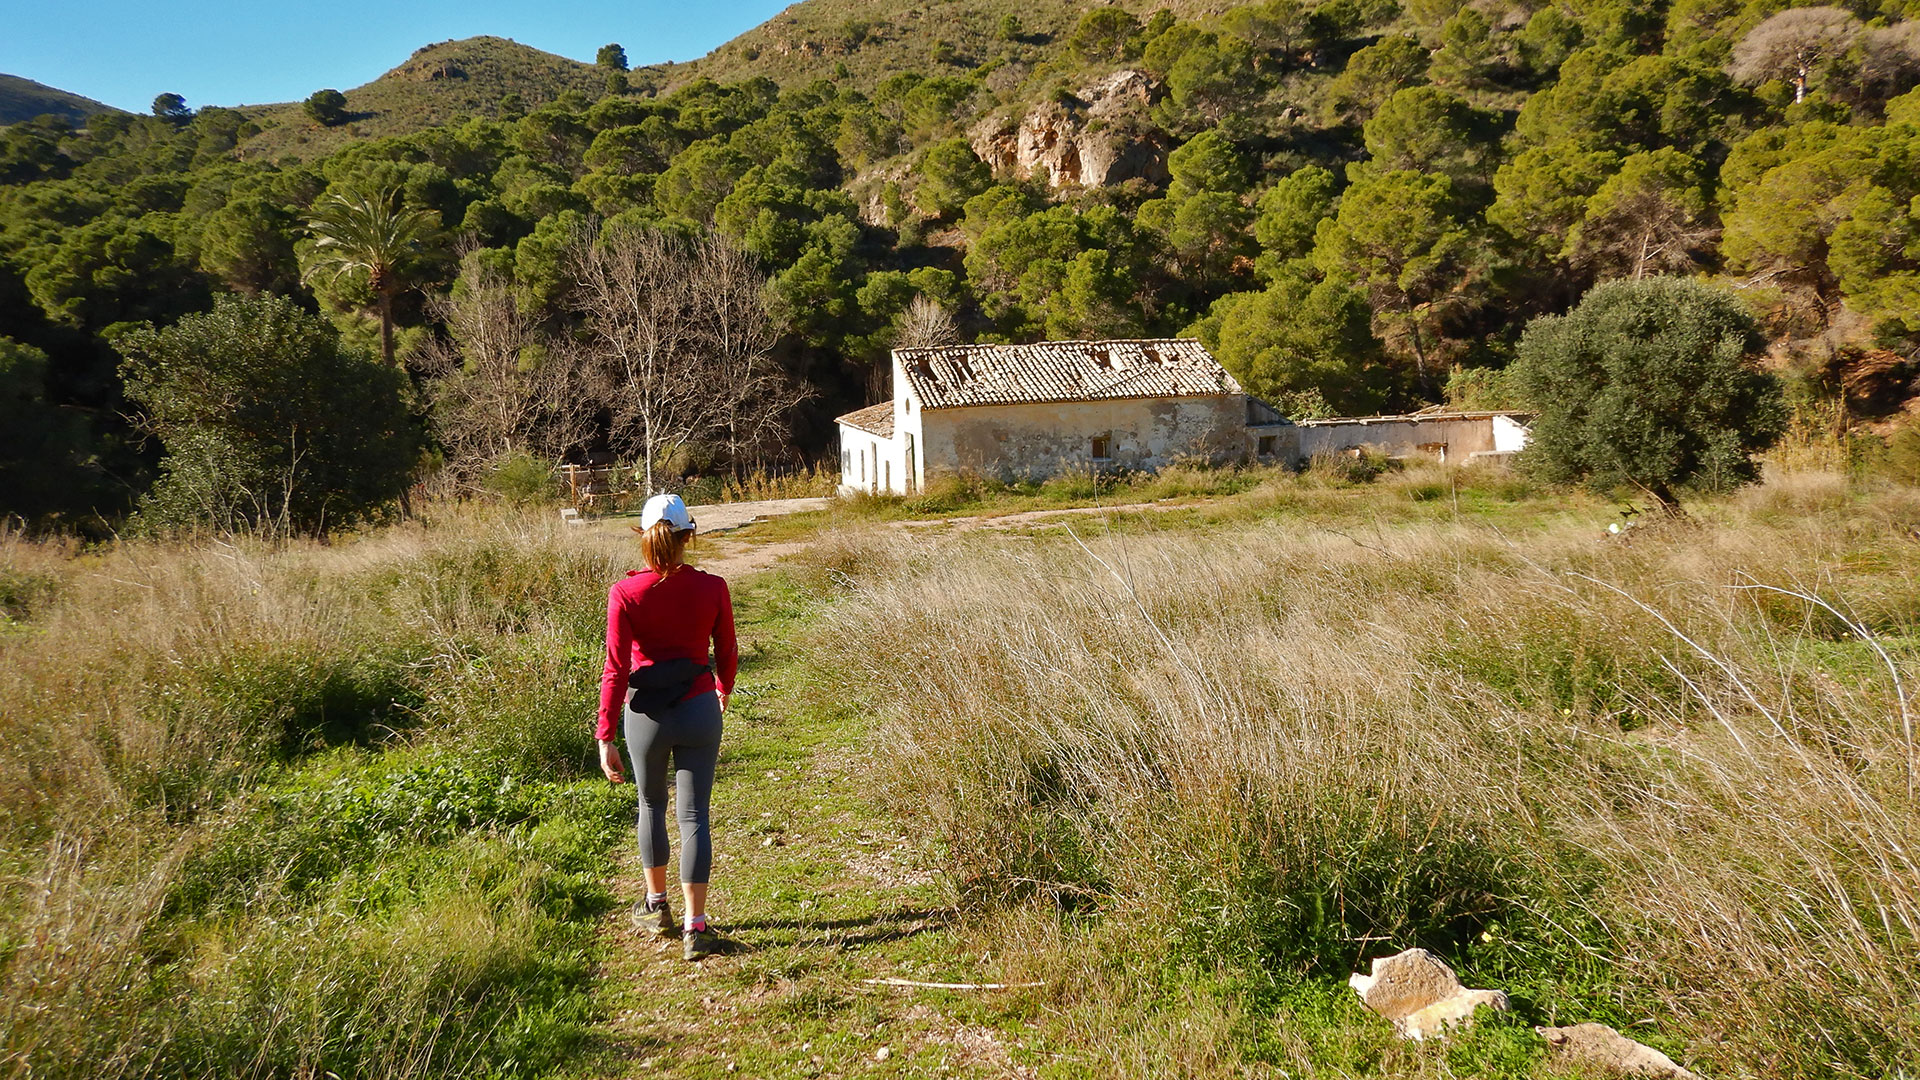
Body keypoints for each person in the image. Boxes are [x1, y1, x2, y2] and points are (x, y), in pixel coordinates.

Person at [597, 493, 738, 961]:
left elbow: (615, 668)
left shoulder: (625, 592)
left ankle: (656, 905)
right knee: (694, 815)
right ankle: (696, 929)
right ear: (687, 536)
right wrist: (723, 687)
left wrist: (605, 734)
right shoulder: (713, 586)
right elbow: (728, 650)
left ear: (644, 536)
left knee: (650, 806)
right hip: (698, 707)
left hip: (644, 716)